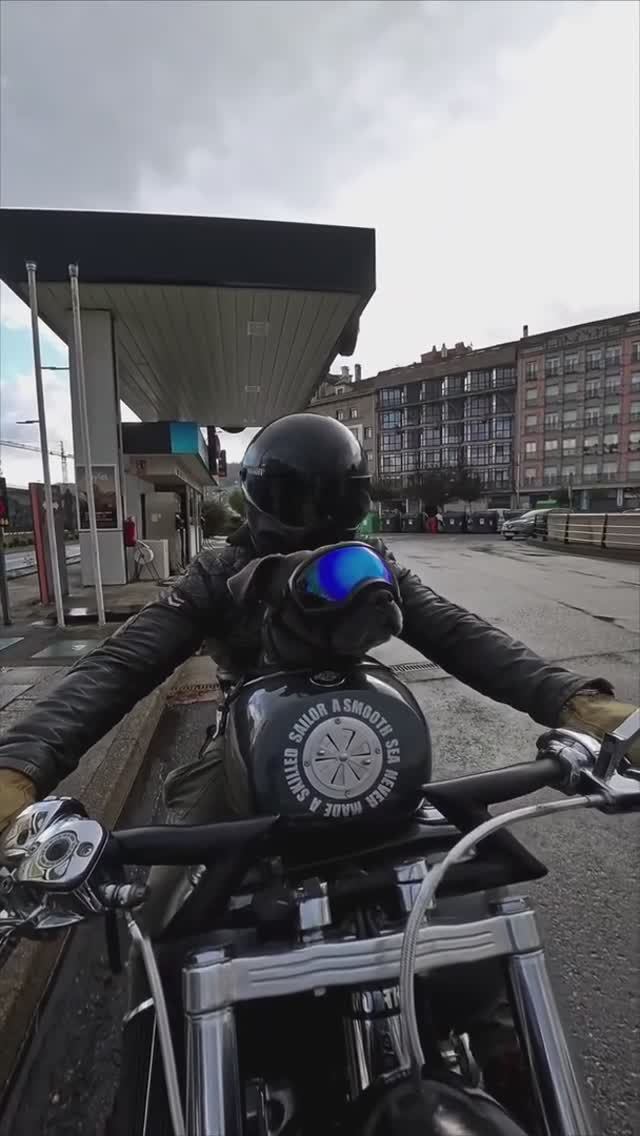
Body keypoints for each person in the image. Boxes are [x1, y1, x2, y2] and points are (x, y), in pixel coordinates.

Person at [0, 412, 637, 888]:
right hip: (252, 738)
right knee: (170, 892)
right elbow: (123, 661)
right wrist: (22, 761)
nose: (314, 516)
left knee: (458, 872)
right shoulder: (220, 572)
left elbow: (455, 630)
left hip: (364, 733)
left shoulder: (370, 564)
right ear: (266, 499)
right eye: (299, 499)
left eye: (330, 498)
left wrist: (574, 701)